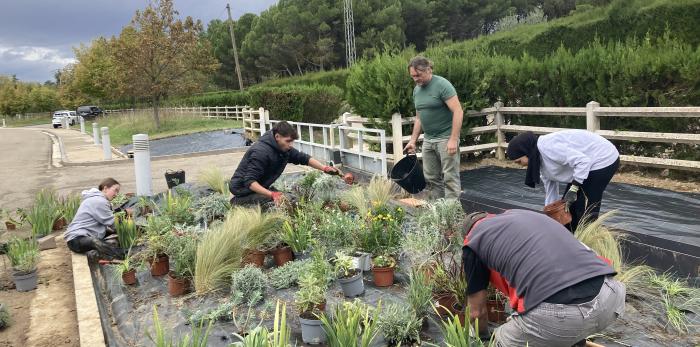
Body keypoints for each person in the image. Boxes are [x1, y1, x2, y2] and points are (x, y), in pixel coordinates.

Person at [462, 209, 625, 347]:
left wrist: (481, 339)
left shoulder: (473, 241)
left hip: (561, 317)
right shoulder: (523, 216)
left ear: (467, 235)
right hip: (611, 297)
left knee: (498, 341)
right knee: (567, 329)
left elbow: (477, 313)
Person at [506, 130, 620, 232]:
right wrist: (550, 214)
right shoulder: (538, 160)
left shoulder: (549, 148)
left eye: (519, 161)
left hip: (602, 158)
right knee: (567, 206)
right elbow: (550, 189)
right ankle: (569, 238)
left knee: (585, 207)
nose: (520, 166)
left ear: (525, 151)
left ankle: (587, 242)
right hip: (586, 162)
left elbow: (583, 161)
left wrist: (574, 188)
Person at [229, 121, 339, 206]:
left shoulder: (283, 149)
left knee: (292, 199)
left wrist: (324, 168)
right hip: (241, 194)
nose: (291, 145)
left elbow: (303, 158)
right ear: (277, 137)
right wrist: (272, 194)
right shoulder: (261, 152)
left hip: (256, 190)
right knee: (281, 204)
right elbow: (250, 182)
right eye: (288, 141)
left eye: (292, 141)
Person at [403, 56, 464, 199]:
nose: (416, 79)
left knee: (450, 178)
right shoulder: (416, 90)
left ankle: (451, 214)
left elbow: (458, 111)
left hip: (446, 138)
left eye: (418, 75)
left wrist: (453, 139)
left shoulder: (442, 85)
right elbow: (419, 118)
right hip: (428, 140)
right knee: (431, 179)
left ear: (429, 70)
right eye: (413, 76)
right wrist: (413, 141)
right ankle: (437, 212)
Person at [64, 178, 124, 259]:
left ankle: (100, 254)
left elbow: (109, 219)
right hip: (76, 240)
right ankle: (122, 255)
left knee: (108, 235)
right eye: (115, 190)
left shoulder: (96, 199)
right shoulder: (99, 201)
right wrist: (131, 228)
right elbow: (113, 223)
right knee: (96, 242)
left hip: (82, 237)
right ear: (105, 188)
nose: (116, 194)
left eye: (118, 191)